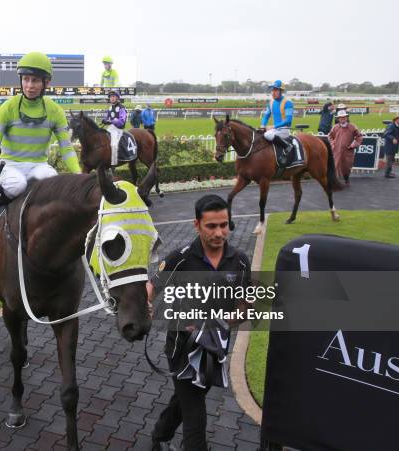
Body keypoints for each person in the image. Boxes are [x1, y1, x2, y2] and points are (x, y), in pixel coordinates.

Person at [147, 194, 251, 451]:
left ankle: (159, 436)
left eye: (224, 224)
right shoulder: (179, 259)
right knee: (196, 414)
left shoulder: (239, 261)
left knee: (185, 400)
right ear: (196, 225)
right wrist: (146, 305)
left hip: (214, 350)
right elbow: (153, 286)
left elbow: (245, 305)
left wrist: (223, 320)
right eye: (211, 226)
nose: (219, 232)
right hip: (181, 349)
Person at [0, 52, 81, 258]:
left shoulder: (55, 111)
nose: (30, 85)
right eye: (26, 79)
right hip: (10, 165)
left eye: (35, 80)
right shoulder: (8, 107)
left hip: (39, 164)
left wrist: (79, 174)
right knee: (17, 184)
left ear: (46, 82)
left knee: (53, 183)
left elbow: (66, 148)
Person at [259, 80, 294, 164]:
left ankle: (287, 146)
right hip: (275, 130)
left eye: (275, 90)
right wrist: (263, 125)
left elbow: (288, 120)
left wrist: (273, 126)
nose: (273, 92)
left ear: (280, 91)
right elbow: (266, 116)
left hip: (284, 130)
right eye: (272, 90)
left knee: (267, 134)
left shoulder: (288, 103)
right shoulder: (271, 102)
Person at [328, 110, 363, 185]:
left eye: (344, 117)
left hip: (348, 151)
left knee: (346, 167)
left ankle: (346, 179)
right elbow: (330, 136)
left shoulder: (352, 127)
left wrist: (354, 144)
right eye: (340, 118)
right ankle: (335, 181)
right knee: (336, 165)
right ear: (338, 119)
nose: (342, 119)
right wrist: (333, 143)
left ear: (346, 118)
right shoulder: (335, 127)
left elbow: (359, 136)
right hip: (337, 151)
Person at [102, 90, 127, 156]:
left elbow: (121, 122)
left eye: (113, 96)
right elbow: (107, 118)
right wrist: (104, 120)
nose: (112, 98)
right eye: (110, 97)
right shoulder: (110, 107)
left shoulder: (121, 108)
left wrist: (111, 121)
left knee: (113, 145)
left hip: (118, 130)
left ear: (117, 98)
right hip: (110, 128)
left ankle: (114, 163)